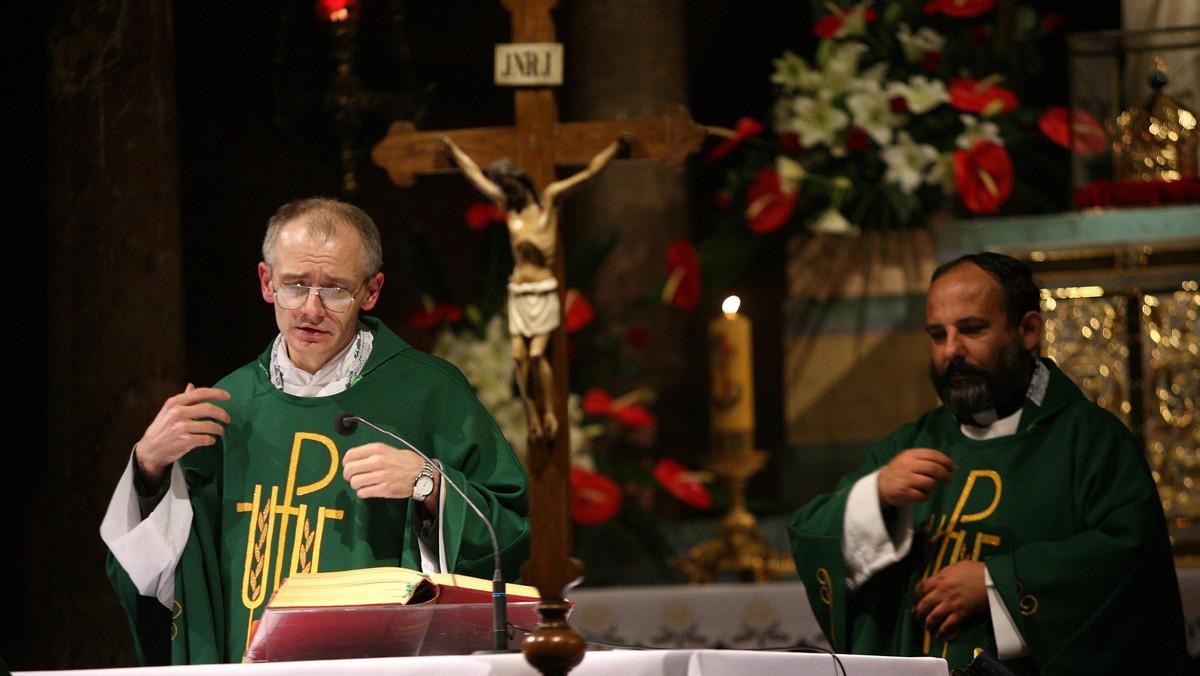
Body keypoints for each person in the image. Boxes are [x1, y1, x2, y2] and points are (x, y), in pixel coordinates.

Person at [101, 197, 530, 664]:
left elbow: (507, 531)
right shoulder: (227, 407)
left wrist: (429, 484)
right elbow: (164, 577)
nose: (312, 308)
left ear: (371, 292)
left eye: (336, 290)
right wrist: (148, 467)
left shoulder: (429, 393)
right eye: (295, 285)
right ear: (267, 282)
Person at [787, 252, 1188, 674]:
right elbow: (813, 536)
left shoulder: (1090, 442)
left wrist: (999, 584)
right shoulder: (912, 443)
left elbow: (1130, 566)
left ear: (1029, 330)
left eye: (971, 329)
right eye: (937, 335)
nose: (951, 351)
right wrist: (876, 498)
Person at [439, 134, 630, 441]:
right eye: (503, 186)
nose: (507, 190)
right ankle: (532, 414)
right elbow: (475, 177)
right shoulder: (509, 209)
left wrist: (614, 149)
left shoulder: (549, 202)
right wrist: (454, 152)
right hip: (520, 292)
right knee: (518, 357)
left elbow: (588, 175)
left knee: (538, 354)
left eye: (509, 183)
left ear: (521, 181)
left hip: (542, 291)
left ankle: (549, 413)